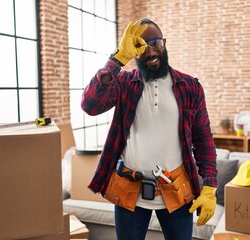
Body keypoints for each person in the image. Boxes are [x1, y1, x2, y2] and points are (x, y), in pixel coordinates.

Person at [81, 18, 218, 240]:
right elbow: (90, 105)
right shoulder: (124, 82)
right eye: (141, 46)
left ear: (164, 42)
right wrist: (116, 60)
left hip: (176, 189)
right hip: (129, 190)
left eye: (155, 42)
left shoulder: (190, 86)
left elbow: (203, 140)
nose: (150, 51)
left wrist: (210, 186)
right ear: (133, 51)